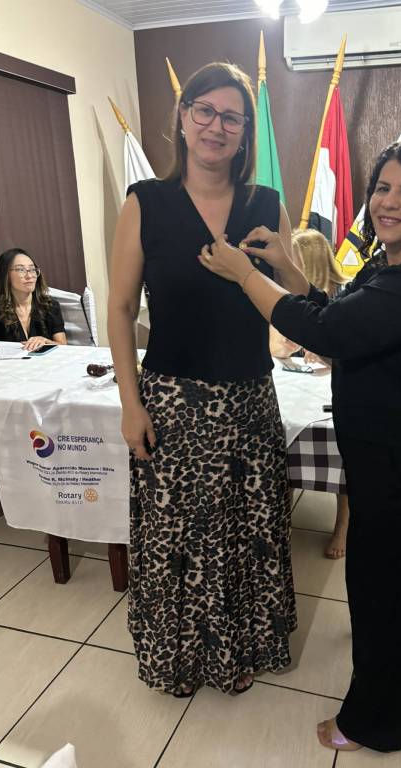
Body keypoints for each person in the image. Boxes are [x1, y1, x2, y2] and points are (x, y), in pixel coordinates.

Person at [199, 138, 401, 752]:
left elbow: (324, 331)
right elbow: (340, 312)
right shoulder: (394, 267)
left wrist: (245, 274)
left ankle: (375, 725)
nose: (389, 202)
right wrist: (287, 265)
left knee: (384, 602)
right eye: (382, 188)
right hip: (397, 469)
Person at [107, 62, 306, 697]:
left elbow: (299, 303)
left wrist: (281, 263)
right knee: (177, 538)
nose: (216, 127)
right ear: (184, 117)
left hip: (249, 398)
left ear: (246, 133)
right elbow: (119, 309)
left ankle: (238, 653)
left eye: (232, 118)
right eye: (205, 111)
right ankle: (180, 659)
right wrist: (130, 404)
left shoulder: (264, 204)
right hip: (172, 401)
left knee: (246, 532)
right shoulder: (146, 202)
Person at [291, 228, 350, 560]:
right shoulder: (295, 296)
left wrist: (323, 350)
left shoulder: (343, 297)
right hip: (298, 384)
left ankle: (343, 523)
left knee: (342, 450)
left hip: (334, 387)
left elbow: (345, 351)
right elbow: (277, 345)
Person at [0, 248, 67, 350]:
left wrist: (46, 341)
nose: (29, 276)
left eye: (32, 269)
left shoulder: (50, 305)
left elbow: (63, 345)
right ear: (5, 275)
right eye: (21, 270)